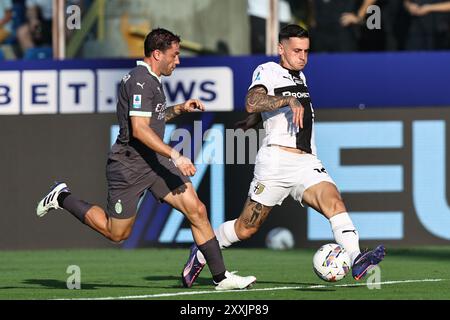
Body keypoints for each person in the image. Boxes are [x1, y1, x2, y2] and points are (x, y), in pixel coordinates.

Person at [36, 28, 256, 291]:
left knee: (196, 210)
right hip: (128, 166)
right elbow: (139, 130)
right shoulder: (139, 80)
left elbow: (153, 121)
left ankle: (221, 278)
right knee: (116, 233)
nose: (178, 61)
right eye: (174, 55)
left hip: (155, 164)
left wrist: (179, 108)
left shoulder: (152, 79)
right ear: (157, 53)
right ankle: (62, 197)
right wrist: (176, 155)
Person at [181, 24, 385, 288]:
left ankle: (357, 257)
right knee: (246, 228)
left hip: (307, 162)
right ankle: (200, 252)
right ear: (281, 48)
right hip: (276, 163)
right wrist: (283, 102)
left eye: (307, 51)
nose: (303, 57)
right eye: (297, 50)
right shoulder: (268, 70)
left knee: (334, 202)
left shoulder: (301, 77)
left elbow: (262, 110)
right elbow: (253, 100)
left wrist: (253, 121)